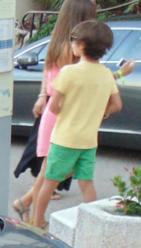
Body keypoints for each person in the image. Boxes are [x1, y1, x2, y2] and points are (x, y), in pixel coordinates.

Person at [30, 20, 122, 230]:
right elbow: (117, 104)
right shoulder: (106, 74)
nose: (71, 44)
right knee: (86, 183)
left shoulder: (69, 72)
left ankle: (37, 222)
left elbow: (53, 106)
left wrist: (67, 111)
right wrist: (100, 112)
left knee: (49, 182)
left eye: (73, 41)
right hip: (89, 141)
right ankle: (94, 224)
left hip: (65, 138)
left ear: (81, 46)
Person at [11, 0, 96, 217]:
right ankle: (35, 215)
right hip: (65, 113)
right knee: (57, 169)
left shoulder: (56, 44)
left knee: (56, 168)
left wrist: (42, 96)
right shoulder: (73, 50)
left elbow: (50, 80)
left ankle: (26, 203)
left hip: (55, 110)